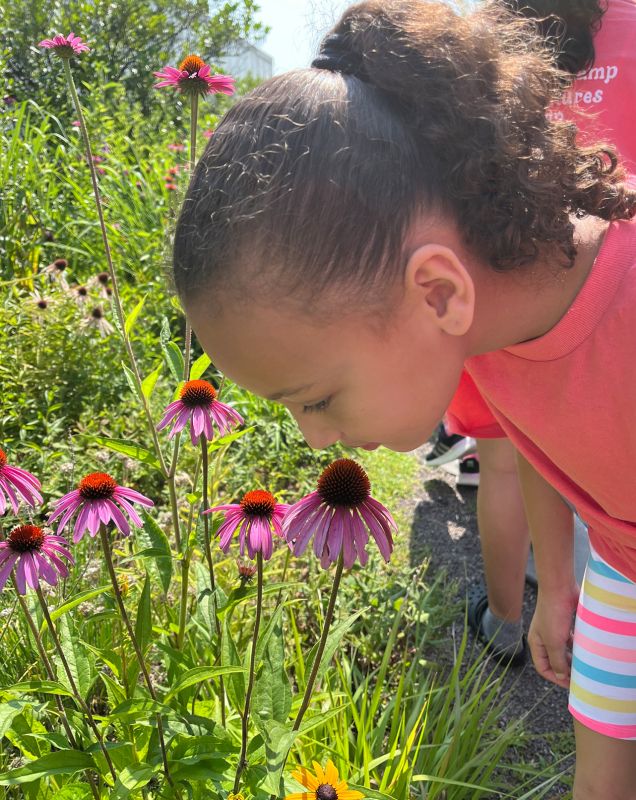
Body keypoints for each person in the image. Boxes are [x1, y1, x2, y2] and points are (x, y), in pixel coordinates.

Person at [172, 1, 636, 795]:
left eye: (314, 398)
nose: (315, 440)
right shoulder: (481, 321)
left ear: (433, 291)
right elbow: (538, 449)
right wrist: (558, 582)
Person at [429, 0, 636, 666]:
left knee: (507, 462)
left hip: (514, 288)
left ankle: (506, 619)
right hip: (603, 273)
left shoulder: (485, 33)